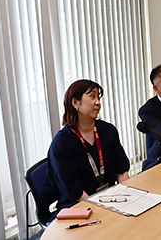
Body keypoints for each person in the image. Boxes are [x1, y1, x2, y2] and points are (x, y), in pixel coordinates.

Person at [47, 79, 130, 211]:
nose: (97, 102)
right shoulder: (62, 143)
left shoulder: (108, 131)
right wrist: (101, 209)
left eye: (98, 97)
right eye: (92, 97)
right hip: (79, 205)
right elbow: (75, 191)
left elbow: (121, 170)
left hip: (112, 199)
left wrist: (128, 197)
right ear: (75, 103)